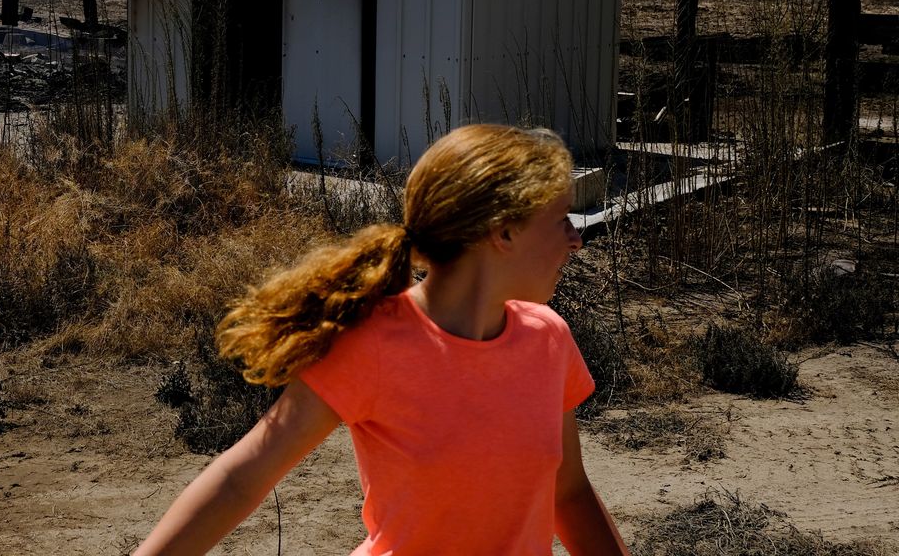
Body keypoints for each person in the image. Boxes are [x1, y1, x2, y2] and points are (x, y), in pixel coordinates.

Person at [134, 124, 629, 555]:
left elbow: (568, 493)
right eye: (562, 218)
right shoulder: (375, 344)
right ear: (503, 233)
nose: (575, 238)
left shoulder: (549, 339)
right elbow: (243, 478)